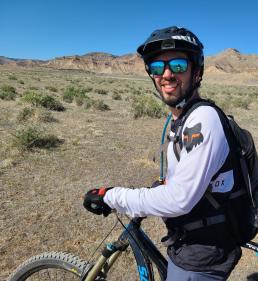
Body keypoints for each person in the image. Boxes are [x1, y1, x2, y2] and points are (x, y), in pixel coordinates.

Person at [83, 26, 242, 280]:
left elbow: (180, 199)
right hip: (187, 238)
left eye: (178, 65)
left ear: (197, 72)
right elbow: (180, 179)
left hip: (200, 254)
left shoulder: (203, 118)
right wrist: (156, 191)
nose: (166, 74)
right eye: (157, 68)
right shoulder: (180, 121)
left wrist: (113, 197)